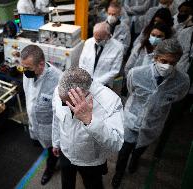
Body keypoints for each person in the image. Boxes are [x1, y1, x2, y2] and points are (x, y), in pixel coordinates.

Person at [112, 38, 190, 188]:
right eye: (164, 61)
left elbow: (178, 97)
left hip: (153, 123)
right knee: (124, 151)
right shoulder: (137, 74)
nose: (168, 66)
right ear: (155, 57)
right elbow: (131, 90)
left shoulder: (182, 81)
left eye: (173, 63)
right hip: (132, 120)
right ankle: (119, 173)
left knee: (140, 148)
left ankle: (135, 161)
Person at [52, 67, 124, 189]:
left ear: (83, 94)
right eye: (63, 101)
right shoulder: (60, 92)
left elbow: (116, 143)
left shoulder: (110, 102)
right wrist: (56, 142)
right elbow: (56, 119)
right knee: (67, 183)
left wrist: (90, 121)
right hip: (66, 153)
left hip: (90, 161)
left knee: (93, 185)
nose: (64, 104)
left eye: (69, 103)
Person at [21, 45, 61, 185]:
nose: (25, 72)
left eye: (28, 68)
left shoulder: (58, 80)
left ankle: (49, 170)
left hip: (50, 129)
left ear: (41, 64)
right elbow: (29, 97)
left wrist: (57, 141)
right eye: (23, 67)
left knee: (52, 152)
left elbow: (60, 114)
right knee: (39, 144)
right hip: (34, 123)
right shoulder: (28, 73)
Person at [79, 22, 124, 87]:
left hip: (104, 84)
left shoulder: (118, 48)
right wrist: (84, 77)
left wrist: (97, 83)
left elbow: (114, 71)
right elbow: (82, 62)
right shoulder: (89, 42)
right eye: (95, 38)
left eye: (99, 39)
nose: (96, 41)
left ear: (108, 35)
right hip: (86, 81)